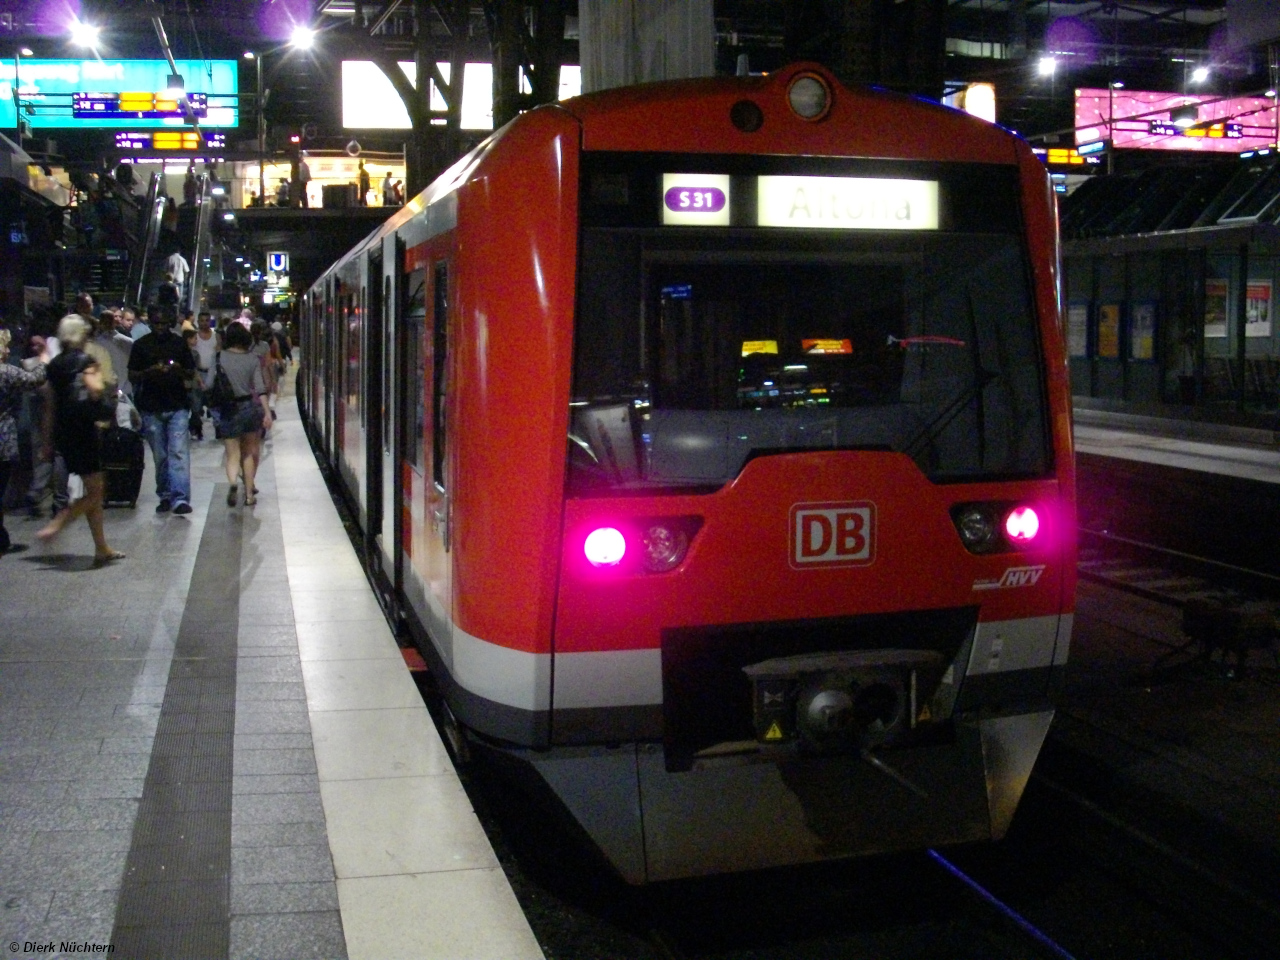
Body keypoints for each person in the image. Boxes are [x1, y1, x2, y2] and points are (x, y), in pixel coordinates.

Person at [35, 315, 126, 564]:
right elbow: (95, 390)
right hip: (85, 431)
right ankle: (58, 523)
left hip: (63, 432)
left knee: (91, 488)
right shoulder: (87, 360)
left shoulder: (54, 366)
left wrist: (46, 442)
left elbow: (49, 407)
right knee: (96, 492)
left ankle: (101, 547)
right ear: (81, 335)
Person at [128, 311, 196, 515]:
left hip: (177, 405)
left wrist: (177, 371)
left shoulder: (178, 344)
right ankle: (165, 494)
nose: (160, 327)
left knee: (178, 452)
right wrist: (149, 372)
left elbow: (190, 371)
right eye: (157, 323)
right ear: (151, 322)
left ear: (170, 323)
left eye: (164, 323)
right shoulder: (141, 345)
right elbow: (132, 374)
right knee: (160, 455)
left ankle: (180, 497)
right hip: (151, 406)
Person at [213, 322, 272, 507]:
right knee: (248, 453)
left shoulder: (219, 357)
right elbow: (260, 388)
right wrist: (267, 412)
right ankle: (249, 495)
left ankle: (232, 483)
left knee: (232, 454)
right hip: (249, 407)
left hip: (228, 409)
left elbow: (207, 384)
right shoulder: (253, 358)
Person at [0, 329, 48, 554]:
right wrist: (43, 360)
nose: (8, 351)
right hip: (4, 438)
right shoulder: (5, 372)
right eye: (5, 347)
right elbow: (34, 379)